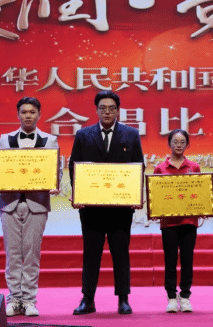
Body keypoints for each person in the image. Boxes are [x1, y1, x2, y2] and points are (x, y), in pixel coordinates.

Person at [69, 90, 144, 315]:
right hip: (91, 208)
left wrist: (135, 195)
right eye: (103, 108)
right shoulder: (84, 134)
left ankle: (123, 298)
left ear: (118, 110)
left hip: (120, 208)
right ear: (96, 110)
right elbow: (74, 166)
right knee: (91, 254)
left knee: (121, 254)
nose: (107, 112)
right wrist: (78, 193)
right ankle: (87, 299)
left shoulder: (131, 134)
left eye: (112, 108)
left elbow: (138, 166)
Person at [0, 96, 60, 317]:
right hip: (9, 203)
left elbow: (56, 169)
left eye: (32, 112)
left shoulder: (50, 140)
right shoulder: (5, 139)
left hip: (37, 204)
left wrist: (55, 185)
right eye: (24, 112)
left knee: (32, 254)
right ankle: (14, 299)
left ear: (39, 115)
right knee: (13, 254)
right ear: (18, 114)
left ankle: (29, 300)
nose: (28, 116)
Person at [153, 129, 200, 313]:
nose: (178, 145)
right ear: (169, 144)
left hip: (189, 221)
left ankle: (185, 296)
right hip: (169, 223)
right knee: (170, 260)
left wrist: (202, 208)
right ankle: (171, 296)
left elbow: (200, 193)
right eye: (175, 142)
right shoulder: (160, 168)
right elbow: (155, 194)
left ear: (187, 145)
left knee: (188, 260)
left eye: (182, 142)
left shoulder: (194, 167)